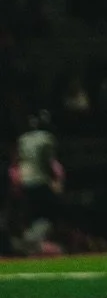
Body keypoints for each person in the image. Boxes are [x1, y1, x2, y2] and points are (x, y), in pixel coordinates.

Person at [13, 109, 65, 254]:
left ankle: (33, 242)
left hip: (25, 181)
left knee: (34, 214)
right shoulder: (46, 138)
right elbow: (48, 162)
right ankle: (31, 241)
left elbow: (19, 161)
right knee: (49, 214)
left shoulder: (23, 139)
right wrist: (55, 181)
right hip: (40, 180)